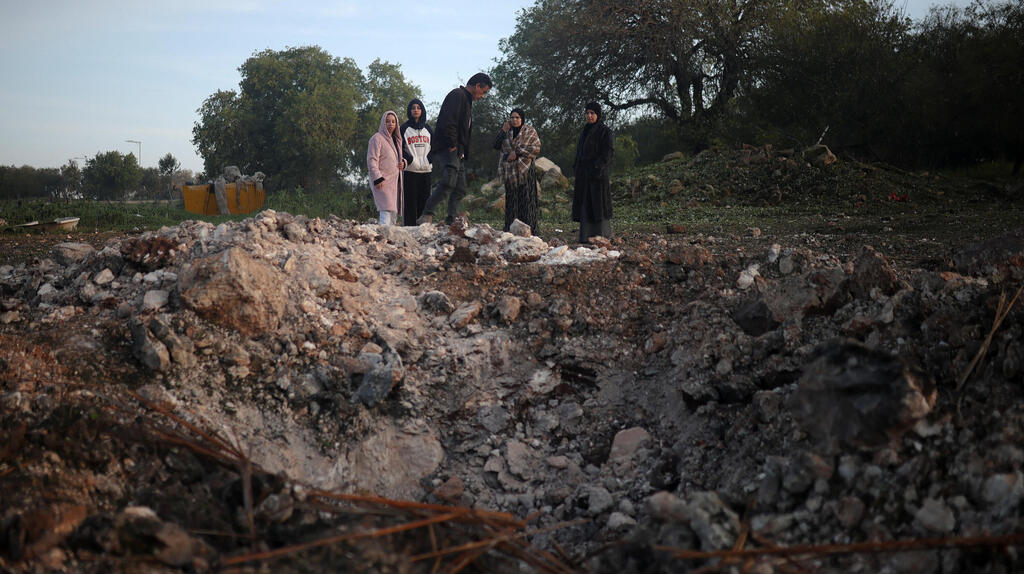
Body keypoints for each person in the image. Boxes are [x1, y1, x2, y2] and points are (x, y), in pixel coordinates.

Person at [416, 72, 493, 225]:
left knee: (461, 187)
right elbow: (448, 121)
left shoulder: (467, 100)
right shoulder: (457, 95)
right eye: (484, 92)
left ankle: (452, 219)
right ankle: (427, 214)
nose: (483, 96)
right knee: (448, 180)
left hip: (458, 151)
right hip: (448, 147)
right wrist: (452, 144)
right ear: (477, 86)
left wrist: (462, 150)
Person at [571, 101, 614, 243]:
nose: (589, 116)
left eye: (592, 113)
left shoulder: (604, 131)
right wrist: (577, 166)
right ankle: (585, 236)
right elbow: (579, 152)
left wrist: (598, 166)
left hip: (597, 175)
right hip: (584, 174)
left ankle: (602, 235)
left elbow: (608, 151)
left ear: (598, 115)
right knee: (586, 204)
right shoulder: (584, 131)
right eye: (588, 113)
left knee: (598, 204)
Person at [492, 108, 541, 233]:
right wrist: (503, 130)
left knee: (526, 200)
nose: (514, 120)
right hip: (510, 171)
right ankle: (511, 229)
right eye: (512, 117)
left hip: (526, 170)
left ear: (522, 119)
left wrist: (517, 152)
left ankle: (529, 230)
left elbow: (535, 148)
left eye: (517, 117)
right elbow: (496, 145)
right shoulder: (507, 132)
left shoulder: (529, 131)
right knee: (512, 200)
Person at [366, 110, 406, 226]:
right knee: (385, 210)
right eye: (387, 121)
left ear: (396, 124)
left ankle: (390, 239)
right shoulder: (377, 138)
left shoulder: (397, 140)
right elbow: (372, 159)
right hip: (382, 181)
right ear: (383, 122)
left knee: (393, 212)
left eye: (393, 121)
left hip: (395, 182)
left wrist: (403, 162)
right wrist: (377, 177)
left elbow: (401, 156)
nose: (390, 124)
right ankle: (383, 236)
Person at [400, 98, 433, 226]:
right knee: (410, 202)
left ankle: (423, 228)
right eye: (413, 108)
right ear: (409, 111)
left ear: (422, 110)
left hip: (426, 170)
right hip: (410, 170)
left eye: (418, 108)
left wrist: (429, 159)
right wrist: (410, 160)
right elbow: (399, 148)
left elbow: (434, 146)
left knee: (424, 201)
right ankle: (409, 228)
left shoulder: (428, 129)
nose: (415, 110)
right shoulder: (404, 128)